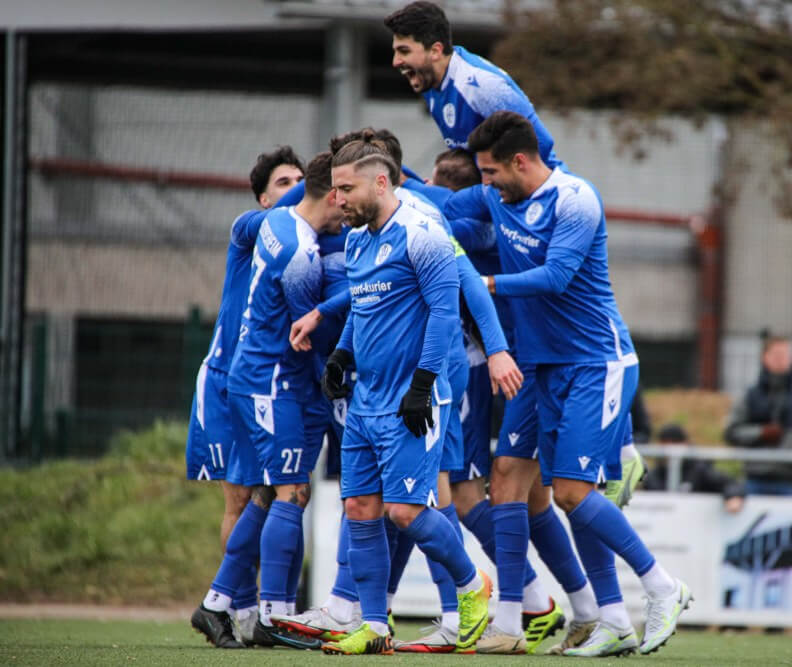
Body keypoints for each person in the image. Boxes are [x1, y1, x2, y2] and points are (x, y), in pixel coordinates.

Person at [447, 111, 692, 657]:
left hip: (594, 364)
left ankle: (663, 587)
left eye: (489, 172)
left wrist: (482, 281)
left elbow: (556, 278)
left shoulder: (576, 199)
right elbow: (438, 206)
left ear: (519, 161)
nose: (483, 184)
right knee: (508, 477)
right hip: (539, 368)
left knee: (574, 493)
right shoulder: (495, 195)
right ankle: (585, 621)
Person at [318, 132, 493, 656]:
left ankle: (472, 585)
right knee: (361, 509)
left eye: (346, 188)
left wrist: (423, 385)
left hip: (412, 401)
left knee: (405, 512)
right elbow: (364, 310)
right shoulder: (356, 239)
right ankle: (374, 626)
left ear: (380, 180)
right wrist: (342, 355)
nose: (338, 200)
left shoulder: (424, 234)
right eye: (334, 189)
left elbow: (445, 315)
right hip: (367, 401)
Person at [190, 152, 342, 650]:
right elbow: (306, 333)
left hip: (259, 378)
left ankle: (218, 605)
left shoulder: (280, 222)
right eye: (283, 182)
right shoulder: (296, 250)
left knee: (266, 494)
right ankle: (271, 614)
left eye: (299, 180)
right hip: (267, 382)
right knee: (289, 493)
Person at [384, 1, 562, 168]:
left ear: (435, 51)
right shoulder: (431, 84)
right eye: (395, 52)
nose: (396, 62)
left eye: (404, 51)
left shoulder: (481, 85)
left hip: (540, 196)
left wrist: (491, 189)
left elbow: (541, 145)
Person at [723, 333, 792, 496]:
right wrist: (760, 433)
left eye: (785, 354)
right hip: (755, 478)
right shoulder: (750, 395)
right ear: (764, 357)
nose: (781, 359)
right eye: (776, 354)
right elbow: (731, 432)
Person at [645, 424, 746, 513]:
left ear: (686, 443)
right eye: (665, 444)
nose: (670, 449)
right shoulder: (653, 475)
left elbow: (730, 484)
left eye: (674, 442)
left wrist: (733, 496)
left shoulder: (700, 470)